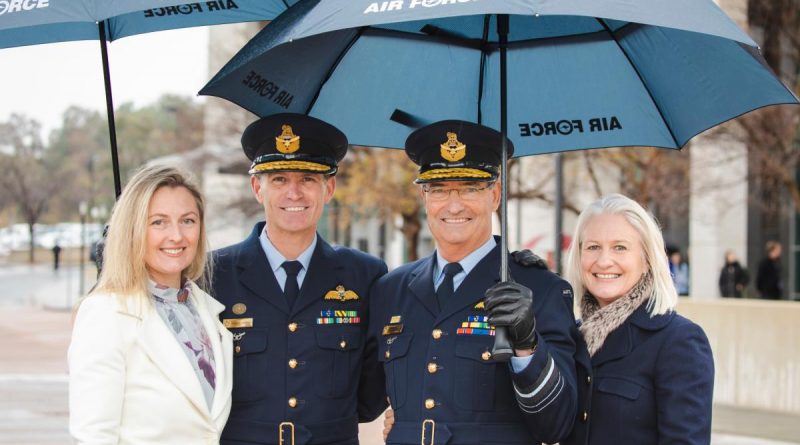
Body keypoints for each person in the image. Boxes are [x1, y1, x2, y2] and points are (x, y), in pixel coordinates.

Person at [369, 120, 591, 445]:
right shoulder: (392, 289)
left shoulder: (539, 289)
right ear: (423, 196)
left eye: (471, 187)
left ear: (495, 194)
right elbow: (362, 399)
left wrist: (528, 347)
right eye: (440, 189)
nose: (454, 204)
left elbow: (556, 424)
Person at [211, 113, 388, 445]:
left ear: (329, 187)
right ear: (257, 188)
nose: (294, 193)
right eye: (278, 179)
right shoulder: (214, 274)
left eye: (307, 179)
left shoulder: (364, 275)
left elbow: (371, 394)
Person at [68, 165, 233, 444]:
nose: (177, 236)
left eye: (188, 221)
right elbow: (93, 436)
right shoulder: (106, 314)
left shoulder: (206, 311)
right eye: (158, 222)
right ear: (132, 229)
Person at [563, 193, 714, 444]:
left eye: (620, 247)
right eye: (593, 247)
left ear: (646, 260)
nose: (604, 261)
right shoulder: (571, 338)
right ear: (578, 258)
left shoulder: (678, 341)